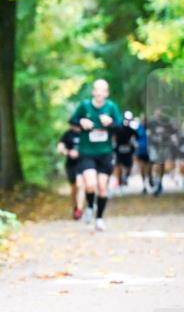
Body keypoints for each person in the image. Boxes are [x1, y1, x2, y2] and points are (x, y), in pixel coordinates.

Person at [70, 79, 122, 232]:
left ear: (106, 93)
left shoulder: (111, 107)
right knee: (90, 184)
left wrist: (110, 123)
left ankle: (99, 218)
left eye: (103, 90)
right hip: (87, 152)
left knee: (102, 187)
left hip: (105, 153)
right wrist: (82, 121)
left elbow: (120, 127)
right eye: (97, 90)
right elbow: (72, 120)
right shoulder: (84, 106)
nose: (99, 93)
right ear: (93, 92)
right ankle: (90, 207)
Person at [56, 124, 83, 219]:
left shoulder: (86, 133)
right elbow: (60, 147)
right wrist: (68, 152)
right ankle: (75, 207)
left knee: (81, 185)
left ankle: (80, 209)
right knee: (74, 187)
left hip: (84, 163)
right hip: (71, 164)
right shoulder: (67, 134)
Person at [147, 107, 176, 196]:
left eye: (160, 111)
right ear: (154, 112)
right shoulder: (151, 122)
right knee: (155, 163)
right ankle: (153, 179)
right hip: (154, 146)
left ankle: (159, 182)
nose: (158, 113)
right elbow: (147, 133)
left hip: (163, 146)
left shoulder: (166, 122)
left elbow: (173, 131)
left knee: (161, 164)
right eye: (157, 111)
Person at [112, 111, 137, 190]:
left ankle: (126, 177)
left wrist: (132, 144)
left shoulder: (132, 128)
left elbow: (135, 137)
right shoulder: (118, 127)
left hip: (129, 150)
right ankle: (120, 180)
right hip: (119, 149)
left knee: (129, 166)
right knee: (119, 165)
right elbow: (114, 136)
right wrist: (114, 145)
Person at [134, 113, 152, 194]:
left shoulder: (151, 128)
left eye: (145, 120)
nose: (144, 121)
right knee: (142, 168)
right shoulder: (138, 128)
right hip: (141, 150)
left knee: (149, 168)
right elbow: (134, 137)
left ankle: (150, 178)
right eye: (143, 119)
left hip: (150, 151)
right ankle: (144, 185)